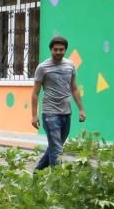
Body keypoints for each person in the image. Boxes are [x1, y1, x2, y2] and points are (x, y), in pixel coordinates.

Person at [30, 35, 86, 170]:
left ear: (65, 50)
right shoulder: (42, 67)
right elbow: (35, 93)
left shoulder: (70, 65)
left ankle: (37, 173)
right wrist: (34, 115)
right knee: (57, 150)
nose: (58, 52)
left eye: (61, 50)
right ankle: (57, 182)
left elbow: (74, 88)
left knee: (55, 147)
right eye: (56, 49)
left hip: (66, 113)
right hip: (50, 114)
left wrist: (81, 109)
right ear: (51, 50)